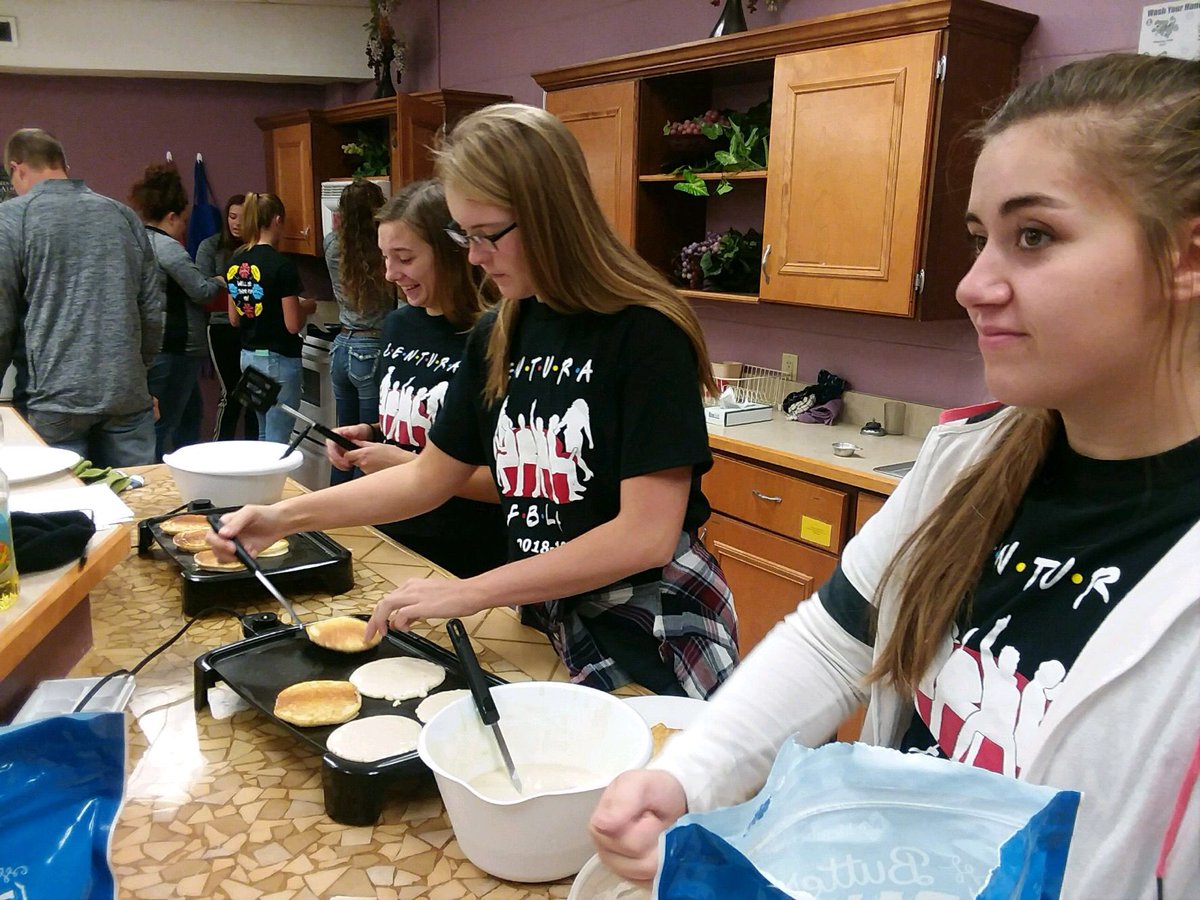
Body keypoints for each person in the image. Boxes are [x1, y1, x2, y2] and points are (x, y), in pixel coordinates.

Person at [589, 53, 1200, 898]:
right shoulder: (969, 460)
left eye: (1035, 237)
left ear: (1186, 256)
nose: (975, 284)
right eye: (982, 238)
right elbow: (836, 642)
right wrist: (692, 774)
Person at [211, 104, 740, 699]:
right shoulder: (502, 332)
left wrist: (471, 590)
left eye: (486, 235)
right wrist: (281, 517)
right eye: (465, 236)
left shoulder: (644, 333)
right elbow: (427, 478)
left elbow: (643, 536)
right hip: (548, 609)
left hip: (656, 622)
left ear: (550, 216)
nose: (473, 255)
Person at [324, 180, 505, 578]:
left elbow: (509, 482)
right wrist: (371, 432)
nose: (390, 274)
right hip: (392, 535)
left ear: (453, 254)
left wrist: (410, 465)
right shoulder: (399, 324)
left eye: (404, 258)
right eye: (385, 258)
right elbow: (424, 423)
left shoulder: (497, 337)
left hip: (465, 558)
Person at [0, 128, 162, 466]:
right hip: (126, 394)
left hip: (53, 399)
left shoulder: (12, 218)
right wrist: (138, 372)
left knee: (62, 510)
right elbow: (152, 310)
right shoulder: (123, 215)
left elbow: (2, 319)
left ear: (17, 167)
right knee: (137, 505)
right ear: (62, 164)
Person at [130, 162, 225, 461]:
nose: (185, 227)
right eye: (182, 220)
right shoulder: (168, 248)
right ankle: (154, 482)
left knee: (188, 417)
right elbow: (201, 290)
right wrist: (221, 280)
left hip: (156, 347)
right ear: (171, 216)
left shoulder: (137, 241)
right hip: (176, 348)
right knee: (164, 422)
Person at [226, 192, 316, 443]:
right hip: (278, 362)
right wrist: (307, 306)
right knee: (277, 443)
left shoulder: (236, 261)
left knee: (263, 434)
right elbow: (292, 324)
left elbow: (234, 318)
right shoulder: (281, 265)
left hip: (249, 359)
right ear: (277, 220)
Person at [325, 178, 397, 485]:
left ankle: (333, 517)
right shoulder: (380, 250)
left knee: (341, 441)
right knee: (368, 447)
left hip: (341, 345)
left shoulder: (331, 244)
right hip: (371, 347)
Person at [197, 193, 258, 441]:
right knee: (231, 393)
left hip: (252, 327)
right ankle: (219, 449)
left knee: (254, 396)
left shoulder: (255, 249)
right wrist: (234, 281)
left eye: (243, 219)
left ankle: (257, 451)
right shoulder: (210, 246)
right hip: (222, 326)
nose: (236, 224)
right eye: (232, 217)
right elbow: (201, 284)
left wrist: (227, 280)